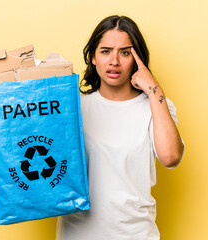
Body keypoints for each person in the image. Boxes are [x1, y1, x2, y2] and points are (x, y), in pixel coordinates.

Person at [55, 15, 184, 240]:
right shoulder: (73, 109)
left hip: (136, 234)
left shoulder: (156, 106)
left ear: (136, 59)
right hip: (77, 234)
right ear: (93, 57)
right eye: (105, 51)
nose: (114, 61)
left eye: (125, 52)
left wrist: (154, 88)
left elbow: (171, 157)